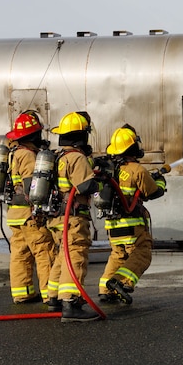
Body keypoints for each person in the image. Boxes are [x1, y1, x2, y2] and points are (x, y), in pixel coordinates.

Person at [97, 125, 167, 305]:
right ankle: (121, 282)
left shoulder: (111, 170)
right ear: (132, 147)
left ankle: (105, 290)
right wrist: (160, 182)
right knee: (142, 254)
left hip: (112, 225)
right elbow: (152, 193)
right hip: (132, 225)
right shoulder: (136, 169)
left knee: (118, 256)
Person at [46, 111, 101, 323]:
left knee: (62, 256)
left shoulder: (59, 157)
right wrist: (98, 176)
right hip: (74, 218)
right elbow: (86, 186)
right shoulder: (76, 158)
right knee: (75, 255)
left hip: (58, 218)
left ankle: (55, 299)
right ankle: (70, 302)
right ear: (82, 135)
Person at [4, 111, 56, 304]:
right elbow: (30, 187)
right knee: (45, 251)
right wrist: (39, 211)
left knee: (20, 253)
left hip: (14, 213)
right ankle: (50, 294)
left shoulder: (13, 154)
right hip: (29, 214)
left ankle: (22, 292)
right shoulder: (28, 156)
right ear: (35, 135)